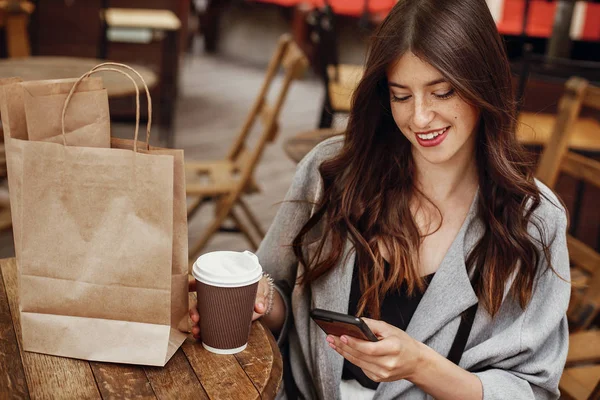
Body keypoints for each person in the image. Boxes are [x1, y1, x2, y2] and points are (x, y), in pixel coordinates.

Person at [190, 0, 571, 398]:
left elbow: (532, 389)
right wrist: (258, 302)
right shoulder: (331, 174)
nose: (420, 118)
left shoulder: (534, 221)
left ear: (483, 84)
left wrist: (420, 366)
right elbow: (281, 295)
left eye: (442, 92)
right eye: (401, 96)